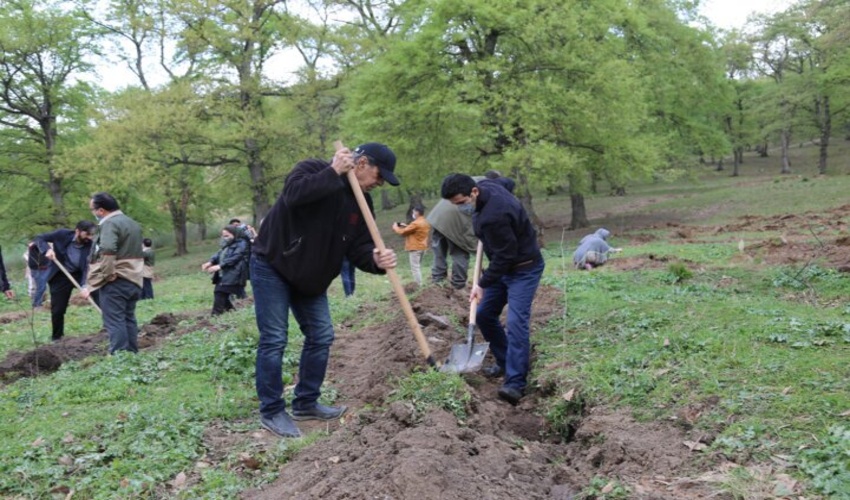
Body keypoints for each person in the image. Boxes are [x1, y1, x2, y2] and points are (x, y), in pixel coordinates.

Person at [251, 142, 399, 438]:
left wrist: (375, 259)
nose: (380, 183)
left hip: (311, 279)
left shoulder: (362, 203)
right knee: (275, 338)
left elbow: (358, 248)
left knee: (321, 335)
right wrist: (333, 172)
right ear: (362, 163)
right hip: (273, 265)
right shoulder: (312, 169)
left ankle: (306, 403)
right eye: (379, 176)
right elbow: (294, 196)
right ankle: (272, 411)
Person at [441, 173, 545, 406]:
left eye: (461, 203)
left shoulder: (494, 217)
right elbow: (508, 182)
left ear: (474, 192)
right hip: (502, 267)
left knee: (516, 323)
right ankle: (505, 360)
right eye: (455, 204)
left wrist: (482, 284)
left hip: (524, 269)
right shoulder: (488, 185)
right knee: (484, 315)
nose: (460, 208)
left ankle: (515, 383)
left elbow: (505, 256)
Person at [80, 192, 144, 354]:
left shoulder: (109, 224)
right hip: (135, 277)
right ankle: (131, 354)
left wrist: (107, 275)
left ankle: (119, 356)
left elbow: (108, 250)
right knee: (129, 318)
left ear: (101, 210)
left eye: (92, 210)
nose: (93, 214)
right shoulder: (133, 223)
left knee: (115, 320)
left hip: (117, 279)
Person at [33, 221, 96, 341]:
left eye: (91, 235)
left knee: (99, 294)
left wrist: (84, 286)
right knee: (58, 309)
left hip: (79, 274)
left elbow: (86, 267)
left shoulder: (90, 245)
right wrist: (47, 250)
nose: (89, 237)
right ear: (77, 231)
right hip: (60, 275)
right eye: (87, 234)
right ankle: (57, 337)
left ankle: (108, 328)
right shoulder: (62, 234)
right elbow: (39, 238)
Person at [426, 199, 477, 289]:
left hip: (438, 216)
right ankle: (458, 285)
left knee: (439, 252)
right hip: (457, 218)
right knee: (460, 252)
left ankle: (437, 281)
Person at [202, 225, 249, 315]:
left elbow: (236, 257)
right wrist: (210, 262)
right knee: (222, 292)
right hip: (224, 273)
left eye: (227, 236)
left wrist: (220, 266)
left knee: (220, 292)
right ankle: (231, 311)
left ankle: (216, 314)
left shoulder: (242, 244)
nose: (225, 238)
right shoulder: (227, 244)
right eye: (223, 236)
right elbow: (219, 254)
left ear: (235, 234)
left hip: (235, 273)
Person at [391, 206, 431, 285]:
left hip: (415, 248)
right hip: (423, 247)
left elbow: (403, 232)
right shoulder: (425, 222)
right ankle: (419, 283)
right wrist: (406, 226)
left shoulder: (415, 223)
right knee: (417, 266)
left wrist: (395, 227)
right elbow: (416, 230)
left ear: (417, 212)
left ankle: (418, 285)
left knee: (415, 268)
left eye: (413, 212)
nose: (413, 213)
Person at [26, 241, 50, 308]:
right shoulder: (35, 246)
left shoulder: (43, 246)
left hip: (43, 268)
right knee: (41, 287)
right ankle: (36, 304)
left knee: (43, 287)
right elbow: (32, 245)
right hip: (37, 269)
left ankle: (38, 303)